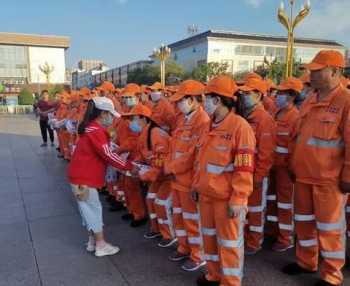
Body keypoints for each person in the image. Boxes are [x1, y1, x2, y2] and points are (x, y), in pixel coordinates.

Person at [283, 50, 350, 286]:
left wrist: (347, 176)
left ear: (335, 71)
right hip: (303, 176)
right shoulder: (311, 98)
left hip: (329, 180)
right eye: (311, 69)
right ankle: (306, 262)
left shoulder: (346, 101)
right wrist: (292, 163)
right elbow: (298, 135)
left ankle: (331, 275)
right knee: (303, 223)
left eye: (317, 70)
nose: (312, 73)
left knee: (330, 229)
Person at [194, 75, 256, 286]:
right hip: (206, 195)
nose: (204, 102)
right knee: (209, 238)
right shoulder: (208, 125)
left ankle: (230, 281)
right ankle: (213, 275)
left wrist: (238, 199)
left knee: (229, 242)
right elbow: (200, 160)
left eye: (206, 98)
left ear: (217, 99)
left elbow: (244, 168)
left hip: (226, 199)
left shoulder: (240, 127)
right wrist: (197, 185)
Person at [67, 97, 136, 257]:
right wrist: (130, 167)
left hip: (80, 176)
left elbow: (104, 151)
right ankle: (101, 244)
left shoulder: (90, 128)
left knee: (88, 209)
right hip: (84, 178)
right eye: (110, 114)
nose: (111, 118)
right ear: (103, 113)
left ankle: (92, 241)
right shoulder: (96, 131)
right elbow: (108, 155)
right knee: (93, 210)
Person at [165, 80, 209, 272]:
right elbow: (173, 148)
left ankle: (198, 255)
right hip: (176, 179)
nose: (177, 104)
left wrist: (171, 168)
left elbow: (194, 155)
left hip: (188, 180)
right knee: (179, 217)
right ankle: (184, 247)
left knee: (192, 220)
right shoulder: (183, 119)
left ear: (192, 99)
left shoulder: (203, 122)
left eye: (180, 100)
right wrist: (169, 167)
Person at [238, 75, 276, 255]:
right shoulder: (245, 116)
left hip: (256, 174)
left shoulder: (264, 119)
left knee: (255, 210)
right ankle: (246, 238)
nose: (244, 96)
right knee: (245, 210)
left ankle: (254, 242)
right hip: (244, 173)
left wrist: (260, 176)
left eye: (248, 93)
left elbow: (266, 152)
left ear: (259, 96)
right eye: (243, 93)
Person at [269, 77, 303, 252]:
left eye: (281, 93)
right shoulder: (276, 113)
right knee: (273, 202)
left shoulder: (295, 118)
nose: (277, 95)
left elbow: (295, 147)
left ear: (291, 95)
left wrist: (292, 168)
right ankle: (274, 232)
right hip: (272, 166)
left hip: (285, 169)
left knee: (285, 204)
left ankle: (286, 238)